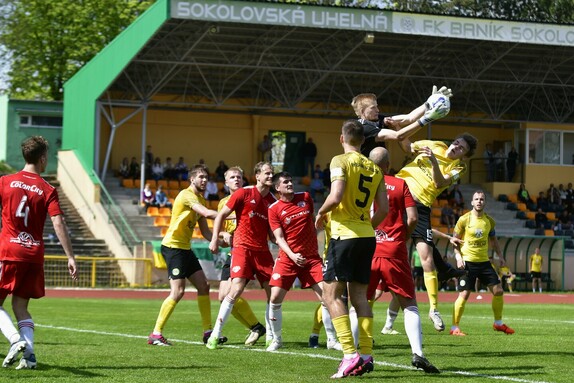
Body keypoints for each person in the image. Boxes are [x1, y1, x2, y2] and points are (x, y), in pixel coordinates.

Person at [314, 120, 388, 378]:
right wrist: (366, 224)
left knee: (331, 296)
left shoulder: (340, 160)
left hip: (343, 236)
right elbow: (384, 210)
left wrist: (320, 213)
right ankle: (366, 354)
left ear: (341, 138)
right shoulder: (375, 168)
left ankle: (349, 354)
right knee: (360, 298)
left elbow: (336, 196)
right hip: (367, 237)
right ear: (363, 140)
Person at [0, 136, 78, 369]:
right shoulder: (47, 189)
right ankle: (29, 356)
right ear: (42, 158)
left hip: (8, 251)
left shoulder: (5, 182)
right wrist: (70, 256)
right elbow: (58, 223)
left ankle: (15, 341)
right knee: (20, 307)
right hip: (33, 256)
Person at [395, 132, 478, 332]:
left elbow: (440, 183)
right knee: (383, 248)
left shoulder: (459, 167)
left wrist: (433, 161)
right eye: (457, 142)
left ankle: (433, 309)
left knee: (427, 258)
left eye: (462, 149)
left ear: (464, 156)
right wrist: (400, 132)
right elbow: (406, 147)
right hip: (397, 193)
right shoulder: (436, 143)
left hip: (421, 205)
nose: (456, 147)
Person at [367, 147, 439, 373]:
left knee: (359, 301)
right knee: (410, 304)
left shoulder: (363, 183)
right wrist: (403, 237)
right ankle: (418, 353)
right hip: (395, 249)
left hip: (368, 248)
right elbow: (413, 218)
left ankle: (357, 354)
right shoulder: (400, 184)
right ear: (388, 164)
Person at [147, 165, 224, 347]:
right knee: (178, 291)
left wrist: (222, 239)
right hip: (173, 247)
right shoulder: (186, 195)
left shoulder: (201, 200)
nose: (204, 180)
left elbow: (205, 233)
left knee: (204, 286)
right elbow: (206, 213)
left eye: (206, 177)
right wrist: (229, 216)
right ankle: (156, 334)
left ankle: (207, 332)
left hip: (185, 249)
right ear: (192, 179)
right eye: (201, 177)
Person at [206, 162, 276, 349]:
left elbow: (271, 231)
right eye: (267, 173)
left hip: (262, 251)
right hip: (240, 249)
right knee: (232, 291)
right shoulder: (241, 195)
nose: (271, 176)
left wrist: (286, 244)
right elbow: (219, 217)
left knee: (273, 292)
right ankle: (216, 334)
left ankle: (270, 334)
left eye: (272, 173)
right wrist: (216, 238)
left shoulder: (272, 201)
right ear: (257, 175)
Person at [266, 172, 338, 352]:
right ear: (277, 187)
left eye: (290, 180)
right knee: (274, 298)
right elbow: (279, 238)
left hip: (311, 258)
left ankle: (331, 339)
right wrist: (292, 255)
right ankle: (277, 339)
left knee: (327, 297)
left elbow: (313, 220)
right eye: (285, 182)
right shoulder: (273, 209)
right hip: (288, 259)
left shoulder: (305, 197)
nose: (290, 183)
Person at [450, 190, 514, 336]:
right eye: (476, 199)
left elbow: (494, 240)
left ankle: (498, 323)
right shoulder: (464, 219)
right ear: (472, 202)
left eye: (482, 199)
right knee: (464, 294)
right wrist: (458, 257)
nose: (479, 201)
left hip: (484, 263)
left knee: (498, 291)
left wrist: (500, 256)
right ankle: (454, 328)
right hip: (468, 262)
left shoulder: (489, 221)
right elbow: (454, 240)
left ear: (485, 202)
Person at [216, 166, 265, 345]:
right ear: (226, 182)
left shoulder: (252, 197)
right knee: (222, 296)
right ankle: (256, 327)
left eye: (239, 177)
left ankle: (259, 327)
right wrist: (222, 235)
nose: (236, 179)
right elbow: (220, 229)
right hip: (232, 252)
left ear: (243, 180)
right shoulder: (223, 203)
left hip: (247, 251)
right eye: (232, 177)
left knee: (232, 293)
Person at [351, 85, 453, 157]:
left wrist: (429, 103)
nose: (378, 110)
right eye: (373, 108)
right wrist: (426, 119)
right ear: (362, 111)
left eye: (377, 106)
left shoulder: (378, 119)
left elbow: (409, 118)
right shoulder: (362, 127)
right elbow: (398, 136)